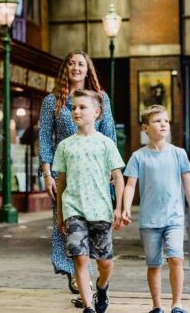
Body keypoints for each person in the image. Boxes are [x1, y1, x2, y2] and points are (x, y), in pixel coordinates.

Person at [38, 50, 117, 298]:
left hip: (96, 174)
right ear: (65, 69)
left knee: (97, 227)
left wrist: (111, 172)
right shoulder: (53, 101)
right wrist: (48, 173)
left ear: (88, 69)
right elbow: (45, 139)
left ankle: (95, 275)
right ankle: (77, 274)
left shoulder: (101, 98)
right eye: (71, 63)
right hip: (66, 173)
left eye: (81, 64)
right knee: (66, 225)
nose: (76, 68)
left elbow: (110, 134)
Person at [121, 105, 190, 313]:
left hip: (174, 219)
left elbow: (189, 186)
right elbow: (130, 185)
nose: (163, 124)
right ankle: (156, 305)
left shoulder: (179, 154)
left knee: (176, 259)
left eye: (166, 121)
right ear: (145, 128)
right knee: (153, 265)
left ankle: (177, 303)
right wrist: (125, 209)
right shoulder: (138, 157)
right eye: (157, 121)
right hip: (149, 221)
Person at [55, 90, 125, 313]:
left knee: (104, 263)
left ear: (96, 112)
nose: (76, 111)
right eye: (73, 107)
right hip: (73, 209)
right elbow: (61, 182)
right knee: (80, 258)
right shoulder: (65, 146)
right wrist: (60, 213)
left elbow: (118, 177)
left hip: (101, 210)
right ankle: (88, 307)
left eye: (82, 107)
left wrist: (120, 208)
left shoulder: (106, 144)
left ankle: (102, 286)